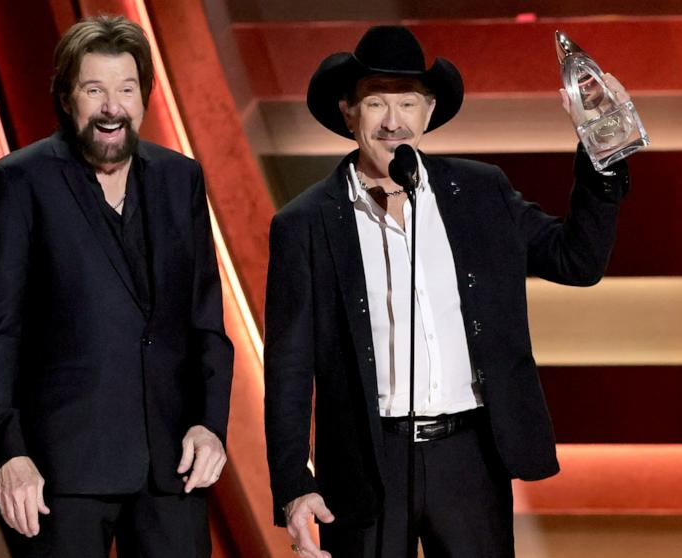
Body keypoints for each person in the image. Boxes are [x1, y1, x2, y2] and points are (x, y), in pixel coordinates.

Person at [264, 26, 631, 557]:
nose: (394, 121)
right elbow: (289, 368)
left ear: (428, 112)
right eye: (376, 103)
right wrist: (294, 484)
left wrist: (603, 159)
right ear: (348, 112)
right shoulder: (304, 224)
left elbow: (577, 261)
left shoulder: (480, 193)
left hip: (469, 458)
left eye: (408, 102)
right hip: (365, 462)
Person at [0, 15, 232, 558]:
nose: (111, 106)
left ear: (144, 98)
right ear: (68, 99)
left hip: (172, 468)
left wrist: (210, 424)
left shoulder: (181, 177)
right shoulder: (18, 182)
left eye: (126, 89)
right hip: (60, 473)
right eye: (94, 90)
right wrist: (8, 453)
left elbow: (205, 322)